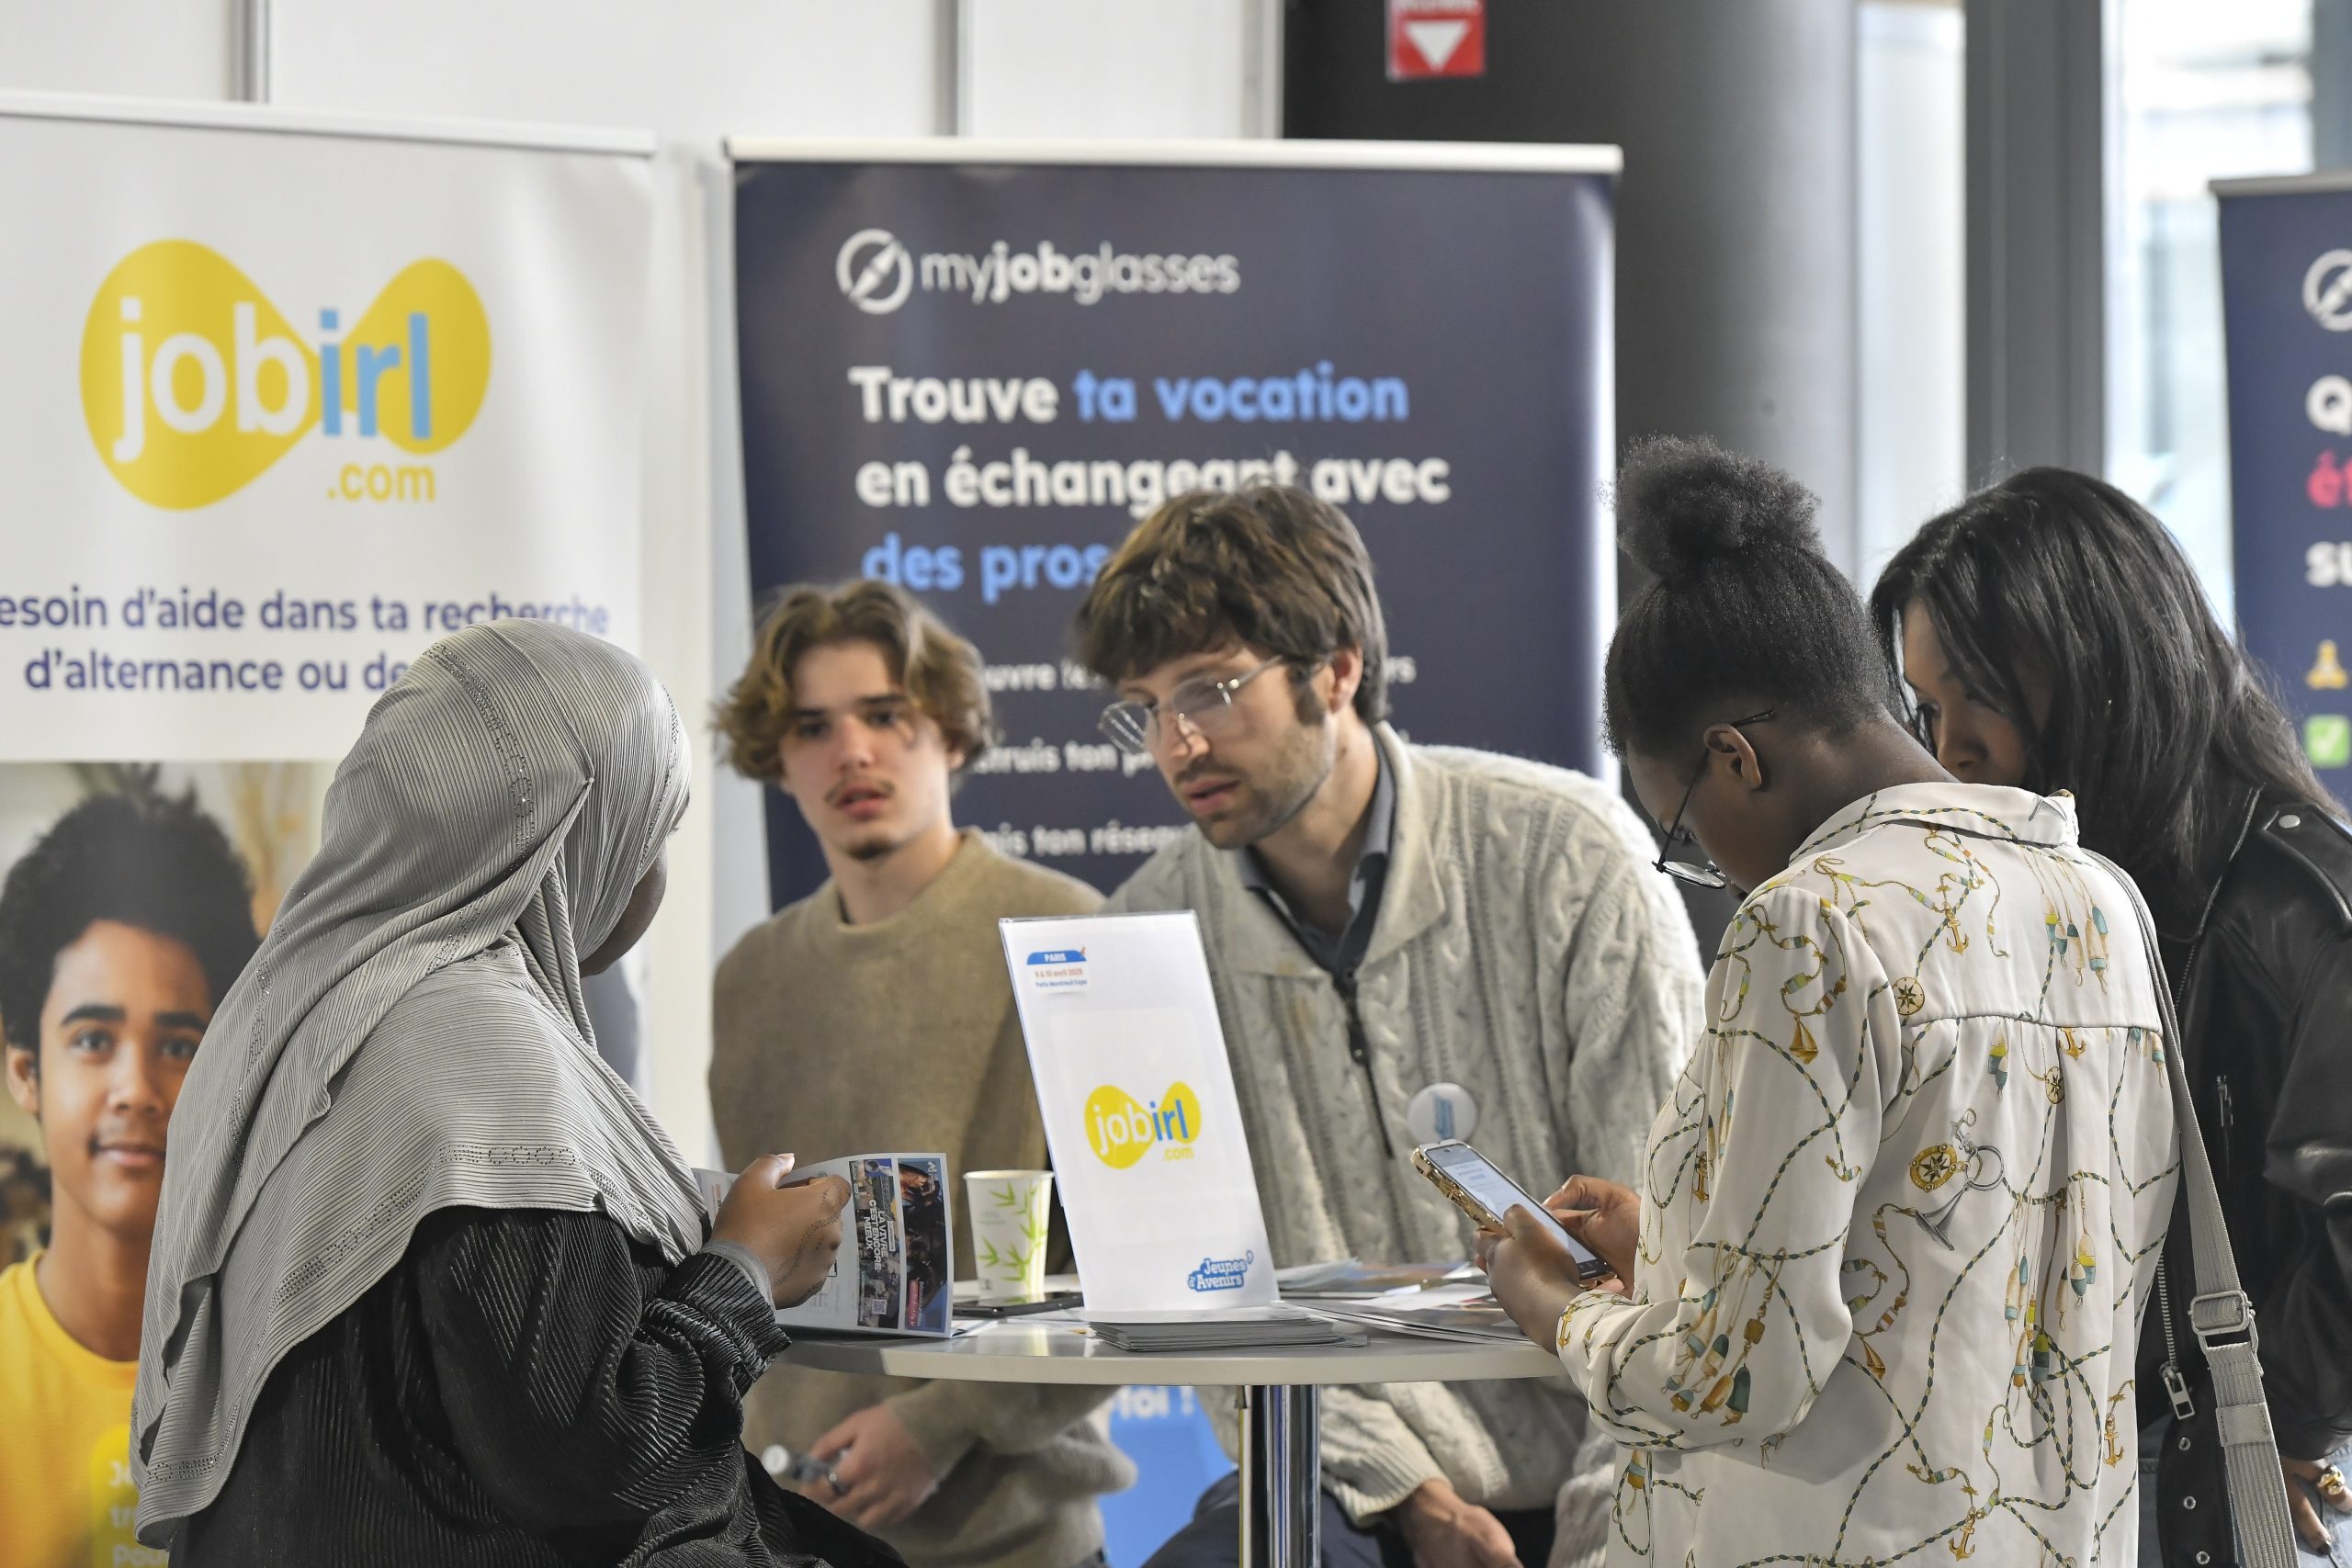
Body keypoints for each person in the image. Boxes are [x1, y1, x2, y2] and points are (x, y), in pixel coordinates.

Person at [1476, 436, 2179, 1564]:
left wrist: (1556, 1309)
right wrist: (1675, 1250)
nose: (1718, 871)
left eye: (1685, 836)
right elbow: (1955, 1257)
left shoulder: (1811, 922)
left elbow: (1735, 1378)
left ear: (1733, 757)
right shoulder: (2099, 899)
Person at [127, 619, 898, 1568]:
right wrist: (742, 1268)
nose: (650, 873)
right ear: (571, 841)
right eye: (650, 832)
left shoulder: (280, 1017)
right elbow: (596, 1458)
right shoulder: (478, 1045)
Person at [1078, 485, 1707, 1568]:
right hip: (1332, 1476)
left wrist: (1601, 1545)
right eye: (1146, 706)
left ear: (1337, 667)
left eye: (1213, 690)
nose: (1176, 744)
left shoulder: (1566, 857)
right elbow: (1200, 1309)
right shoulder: (1142, 936)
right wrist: (1404, 1491)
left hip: (1612, 1460)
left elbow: (1673, 1256)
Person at [1869, 466, 2352, 1565]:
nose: (1950, 748)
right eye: (1928, 707)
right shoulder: (2058, 895)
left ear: (2093, 663)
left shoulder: (2296, 908)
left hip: (2213, 1496)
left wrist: (2268, 1425)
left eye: (1977, 695)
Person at [711, 580, 1131, 1568]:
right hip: (788, 1527)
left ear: (947, 729)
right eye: (812, 726)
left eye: (884, 715)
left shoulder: (1070, 935)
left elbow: (1130, 1270)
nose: (851, 751)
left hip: (1014, 1539)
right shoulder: (752, 977)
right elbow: (756, 1267)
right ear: (778, 757)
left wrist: (940, 1425)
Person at [0, 788, 261, 1568]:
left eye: (179, 1046)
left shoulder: (281, 1376)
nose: (137, 1087)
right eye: (92, 1038)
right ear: (25, 1071)